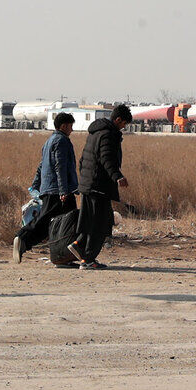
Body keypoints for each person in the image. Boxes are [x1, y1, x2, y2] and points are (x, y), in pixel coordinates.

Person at [70, 105, 133, 269]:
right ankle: (88, 260)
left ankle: (78, 244)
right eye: (124, 124)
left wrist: (84, 179)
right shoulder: (108, 135)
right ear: (118, 119)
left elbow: (83, 160)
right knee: (101, 223)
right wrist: (117, 176)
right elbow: (107, 158)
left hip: (89, 184)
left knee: (91, 220)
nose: (124, 127)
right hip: (99, 185)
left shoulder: (95, 133)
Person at [12, 112, 78, 263]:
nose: (71, 130)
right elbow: (59, 166)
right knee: (64, 223)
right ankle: (23, 238)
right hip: (59, 190)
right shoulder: (62, 141)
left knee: (53, 223)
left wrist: (36, 184)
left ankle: (61, 256)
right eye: (70, 126)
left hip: (49, 188)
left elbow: (42, 165)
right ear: (63, 126)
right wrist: (63, 190)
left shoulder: (48, 142)